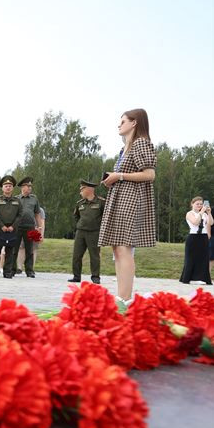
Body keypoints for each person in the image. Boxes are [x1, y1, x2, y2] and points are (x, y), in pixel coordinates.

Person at [99, 108, 157, 305]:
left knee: (124, 247)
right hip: (120, 197)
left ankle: (125, 298)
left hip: (131, 199)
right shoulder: (125, 148)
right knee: (117, 248)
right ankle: (121, 296)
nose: (119, 124)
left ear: (134, 123)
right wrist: (113, 178)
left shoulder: (141, 143)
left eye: (123, 121)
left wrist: (120, 176)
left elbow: (150, 174)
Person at [68, 180, 105, 284]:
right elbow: (76, 216)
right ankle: (76, 276)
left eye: (82, 189)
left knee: (94, 255)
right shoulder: (79, 204)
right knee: (76, 255)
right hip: (81, 232)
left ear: (89, 189)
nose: (80, 192)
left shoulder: (101, 202)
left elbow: (105, 217)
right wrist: (80, 225)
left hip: (94, 232)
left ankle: (95, 277)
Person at [10, 177, 43, 277]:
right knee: (14, 249)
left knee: (29, 249)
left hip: (30, 227)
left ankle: (29, 270)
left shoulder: (34, 198)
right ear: (22, 187)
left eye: (30, 186)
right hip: (17, 227)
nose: (29, 188)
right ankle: (12, 269)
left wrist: (39, 227)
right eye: (27, 186)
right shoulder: (16, 198)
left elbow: (37, 213)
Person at [0, 175, 22, 278]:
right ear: (2, 188)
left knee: (10, 251)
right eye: (6, 185)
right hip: (0, 229)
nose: (8, 187)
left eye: (10, 185)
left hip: (12, 229)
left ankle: (7, 271)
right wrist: (2, 226)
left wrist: (13, 226)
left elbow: (20, 215)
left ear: (13, 188)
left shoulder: (17, 200)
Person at [179, 196, 212, 285]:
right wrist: (201, 212)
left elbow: (211, 223)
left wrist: (209, 213)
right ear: (192, 204)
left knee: (203, 258)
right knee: (191, 258)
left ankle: (202, 278)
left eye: (201, 204)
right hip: (193, 237)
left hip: (203, 237)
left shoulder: (204, 214)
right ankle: (187, 278)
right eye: (197, 204)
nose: (199, 205)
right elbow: (195, 222)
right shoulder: (189, 213)